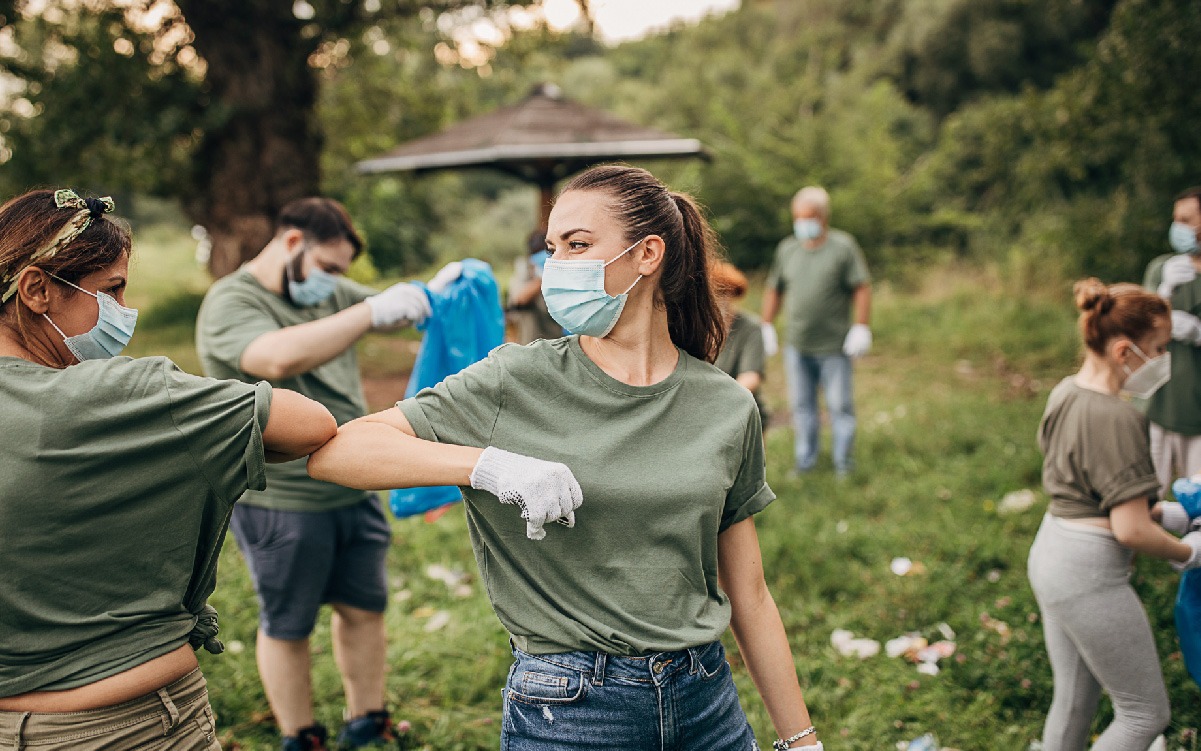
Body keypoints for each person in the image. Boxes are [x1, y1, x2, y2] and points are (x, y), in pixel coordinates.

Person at [310, 165, 822, 751]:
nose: (556, 266)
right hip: (570, 710)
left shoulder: (726, 405)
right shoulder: (515, 379)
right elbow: (338, 452)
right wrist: (487, 466)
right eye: (552, 249)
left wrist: (800, 739)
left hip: (705, 700)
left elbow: (750, 595)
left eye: (578, 245)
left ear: (647, 254)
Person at [0, 189, 336, 750]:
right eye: (112, 289)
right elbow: (309, 424)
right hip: (124, 727)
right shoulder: (124, 398)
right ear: (37, 290)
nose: (126, 311)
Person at [194, 197, 459, 751]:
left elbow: (397, 309)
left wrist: (439, 292)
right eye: (329, 269)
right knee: (288, 622)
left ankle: (367, 721)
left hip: (353, 479)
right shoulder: (232, 301)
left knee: (364, 608)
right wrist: (370, 313)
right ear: (293, 243)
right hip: (280, 499)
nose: (336, 284)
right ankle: (301, 736)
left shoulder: (332, 291)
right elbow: (273, 359)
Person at [1028, 278, 1201, 751]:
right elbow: (1129, 528)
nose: (1165, 359)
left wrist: (1162, 513)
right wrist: (1188, 551)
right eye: (1160, 348)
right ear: (1125, 351)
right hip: (1087, 575)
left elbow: (1089, 491)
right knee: (1145, 715)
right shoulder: (1118, 417)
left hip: (1051, 551)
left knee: (1074, 698)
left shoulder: (1066, 392)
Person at [761, 186, 871, 477]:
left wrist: (861, 326)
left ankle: (843, 464)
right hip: (797, 345)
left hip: (834, 345)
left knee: (839, 406)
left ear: (822, 217)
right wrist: (767, 324)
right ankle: (805, 462)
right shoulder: (787, 249)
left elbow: (861, 287)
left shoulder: (843, 247)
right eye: (798, 217)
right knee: (802, 407)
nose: (802, 223)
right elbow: (775, 289)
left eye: (808, 217)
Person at [1142, 186, 1201, 495]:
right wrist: (1163, 294)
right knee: (1149, 495)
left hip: (1198, 414)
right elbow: (1135, 330)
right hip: (1158, 405)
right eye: (1175, 219)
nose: (1178, 227)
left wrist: (1198, 333)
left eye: (1187, 219)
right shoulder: (1163, 269)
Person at [712, 260, 770, 431]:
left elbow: (751, 377)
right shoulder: (694, 327)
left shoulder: (751, 328)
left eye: (724, 293)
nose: (719, 298)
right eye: (714, 292)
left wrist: (719, 400)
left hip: (738, 406)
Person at [507, 228, 563, 344]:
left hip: (556, 339)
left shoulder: (560, 271)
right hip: (531, 342)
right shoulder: (525, 270)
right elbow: (519, 298)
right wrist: (542, 277)